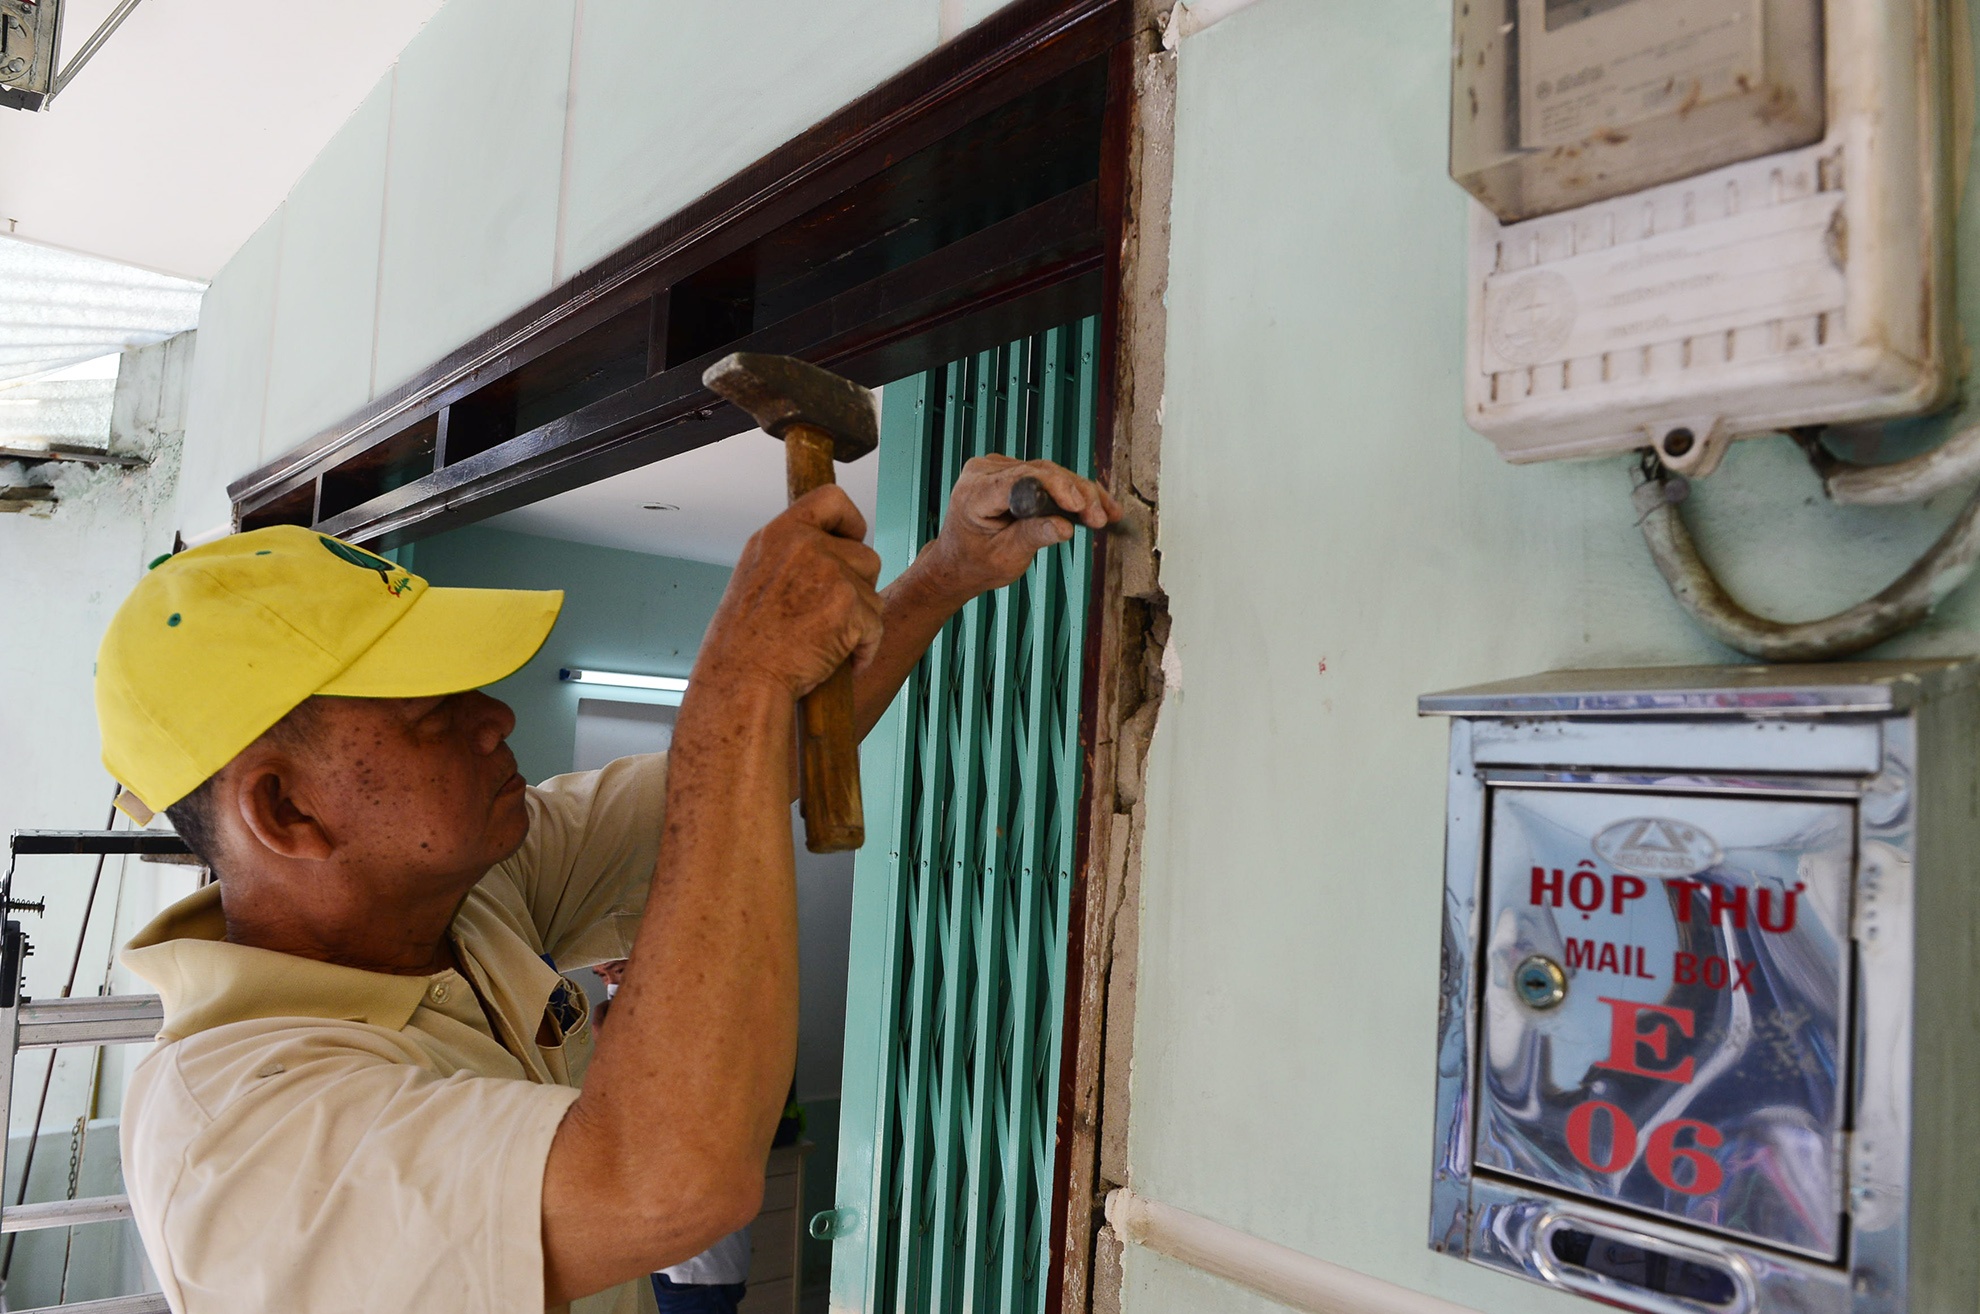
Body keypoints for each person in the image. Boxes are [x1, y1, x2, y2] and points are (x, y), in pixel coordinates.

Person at [95, 455, 1120, 1314]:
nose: (493, 717)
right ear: (286, 814)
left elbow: (740, 775)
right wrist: (741, 675)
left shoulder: (470, 899)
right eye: (431, 713)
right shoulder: (243, 1139)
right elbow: (663, 1183)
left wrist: (943, 575)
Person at [592, 958, 753, 1314]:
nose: (610, 987)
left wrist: (609, 1035)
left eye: (619, 971)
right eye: (602, 976)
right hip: (667, 1261)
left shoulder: (694, 1033)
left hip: (691, 1267)